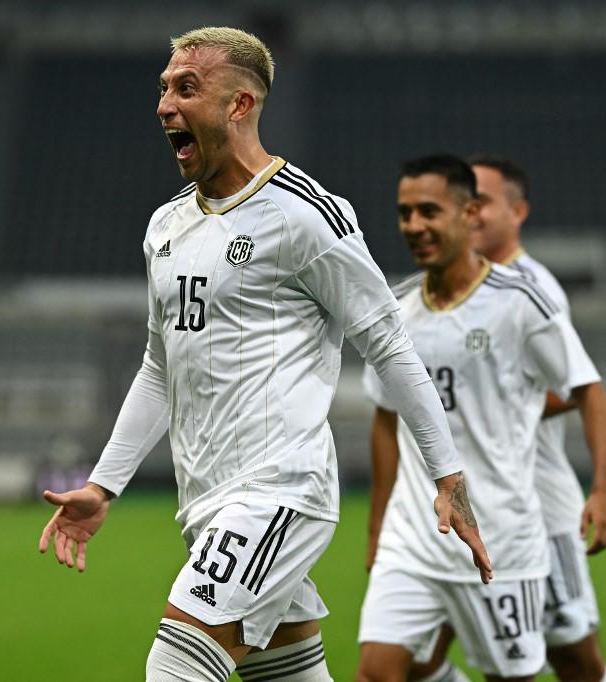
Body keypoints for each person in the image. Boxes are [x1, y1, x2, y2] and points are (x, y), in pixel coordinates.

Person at [36, 27, 491, 682]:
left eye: (186, 88)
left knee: (174, 669)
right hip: (206, 504)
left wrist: (447, 476)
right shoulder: (166, 226)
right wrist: (103, 484)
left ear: (240, 104)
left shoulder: (306, 215)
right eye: (163, 88)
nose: (164, 105)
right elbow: (160, 366)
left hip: (280, 492)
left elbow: (389, 343)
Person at [356, 155, 603, 682]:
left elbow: (588, 387)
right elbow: (384, 419)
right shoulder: (393, 310)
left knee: (547, 667)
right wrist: (378, 528)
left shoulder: (521, 300)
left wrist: (603, 490)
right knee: (380, 671)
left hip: (502, 535)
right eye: (404, 213)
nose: (413, 226)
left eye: (428, 211)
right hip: (414, 537)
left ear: (468, 214)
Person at [467, 154, 606, 682]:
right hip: (483, 507)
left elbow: (576, 388)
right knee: (470, 659)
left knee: (575, 660)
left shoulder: (534, 287)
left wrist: (477, 403)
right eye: (464, 202)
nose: (470, 213)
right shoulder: (462, 285)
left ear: (518, 211)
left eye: (482, 201)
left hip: (539, 506)